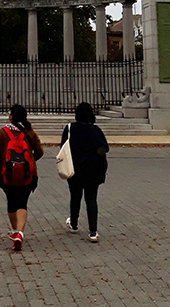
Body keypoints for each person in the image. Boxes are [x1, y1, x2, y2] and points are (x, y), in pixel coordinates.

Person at [0, 104, 43, 252]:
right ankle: (21, 233)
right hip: (27, 174)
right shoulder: (28, 131)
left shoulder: (3, 132)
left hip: (7, 174)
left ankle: (15, 231)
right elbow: (40, 151)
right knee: (22, 203)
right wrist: (30, 160)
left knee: (11, 203)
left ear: (11, 117)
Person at [59, 101, 109, 242]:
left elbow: (63, 147)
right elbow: (105, 147)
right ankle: (93, 231)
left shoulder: (70, 128)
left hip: (74, 169)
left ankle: (74, 224)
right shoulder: (96, 130)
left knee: (75, 197)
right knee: (91, 199)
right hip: (92, 170)